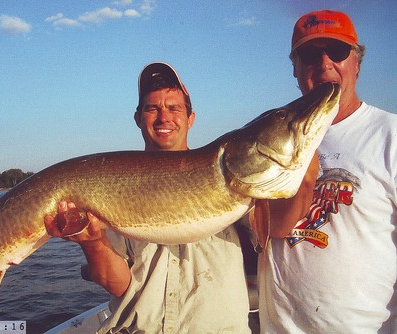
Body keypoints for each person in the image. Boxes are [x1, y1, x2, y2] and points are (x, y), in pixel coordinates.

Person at [45, 62, 317, 333]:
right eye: (153, 108)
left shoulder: (240, 181)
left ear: (190, 118)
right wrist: (92, 242)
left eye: (174, 108)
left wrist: (305, 172)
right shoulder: (114, 185)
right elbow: (116, 283)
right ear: (138, 118)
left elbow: (280, 227)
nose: (164, 117)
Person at [258, 10, 397, 333]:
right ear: (294, 69)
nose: (323, 64)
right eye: (309, 54)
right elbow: (269, 228)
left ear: (357, 64)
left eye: (336, 52)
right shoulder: (271, 136)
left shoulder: (390, 134)